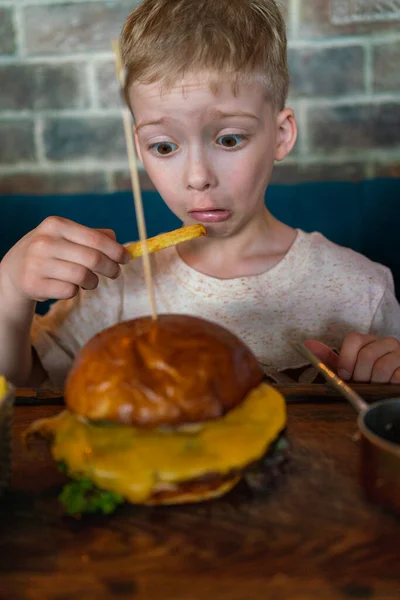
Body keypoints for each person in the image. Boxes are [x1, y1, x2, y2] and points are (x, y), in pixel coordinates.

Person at [1, 0, 400, 389]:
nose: (197, 177)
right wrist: (10, 289)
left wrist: (385, 377)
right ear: (139, 148)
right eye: (164, 147)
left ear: (280, 136)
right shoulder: (113, 288)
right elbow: (22, 378)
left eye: (228, 139)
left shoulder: (363, 291)